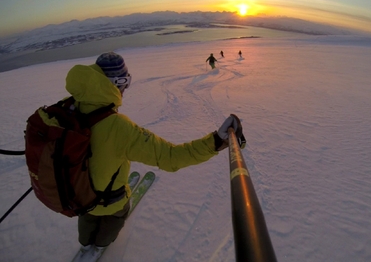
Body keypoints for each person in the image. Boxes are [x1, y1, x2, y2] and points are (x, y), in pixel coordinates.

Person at [68, 52, 245, 260]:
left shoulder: (69, 107)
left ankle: (85, 242)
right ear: (117, 83)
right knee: (117, 214)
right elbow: (170, 157)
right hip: (110, 199)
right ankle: (99, 245)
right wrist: (216, 141)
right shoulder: (119, 129)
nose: (125, 90)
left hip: (78, 195)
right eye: (126, 83)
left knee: (88, 215)